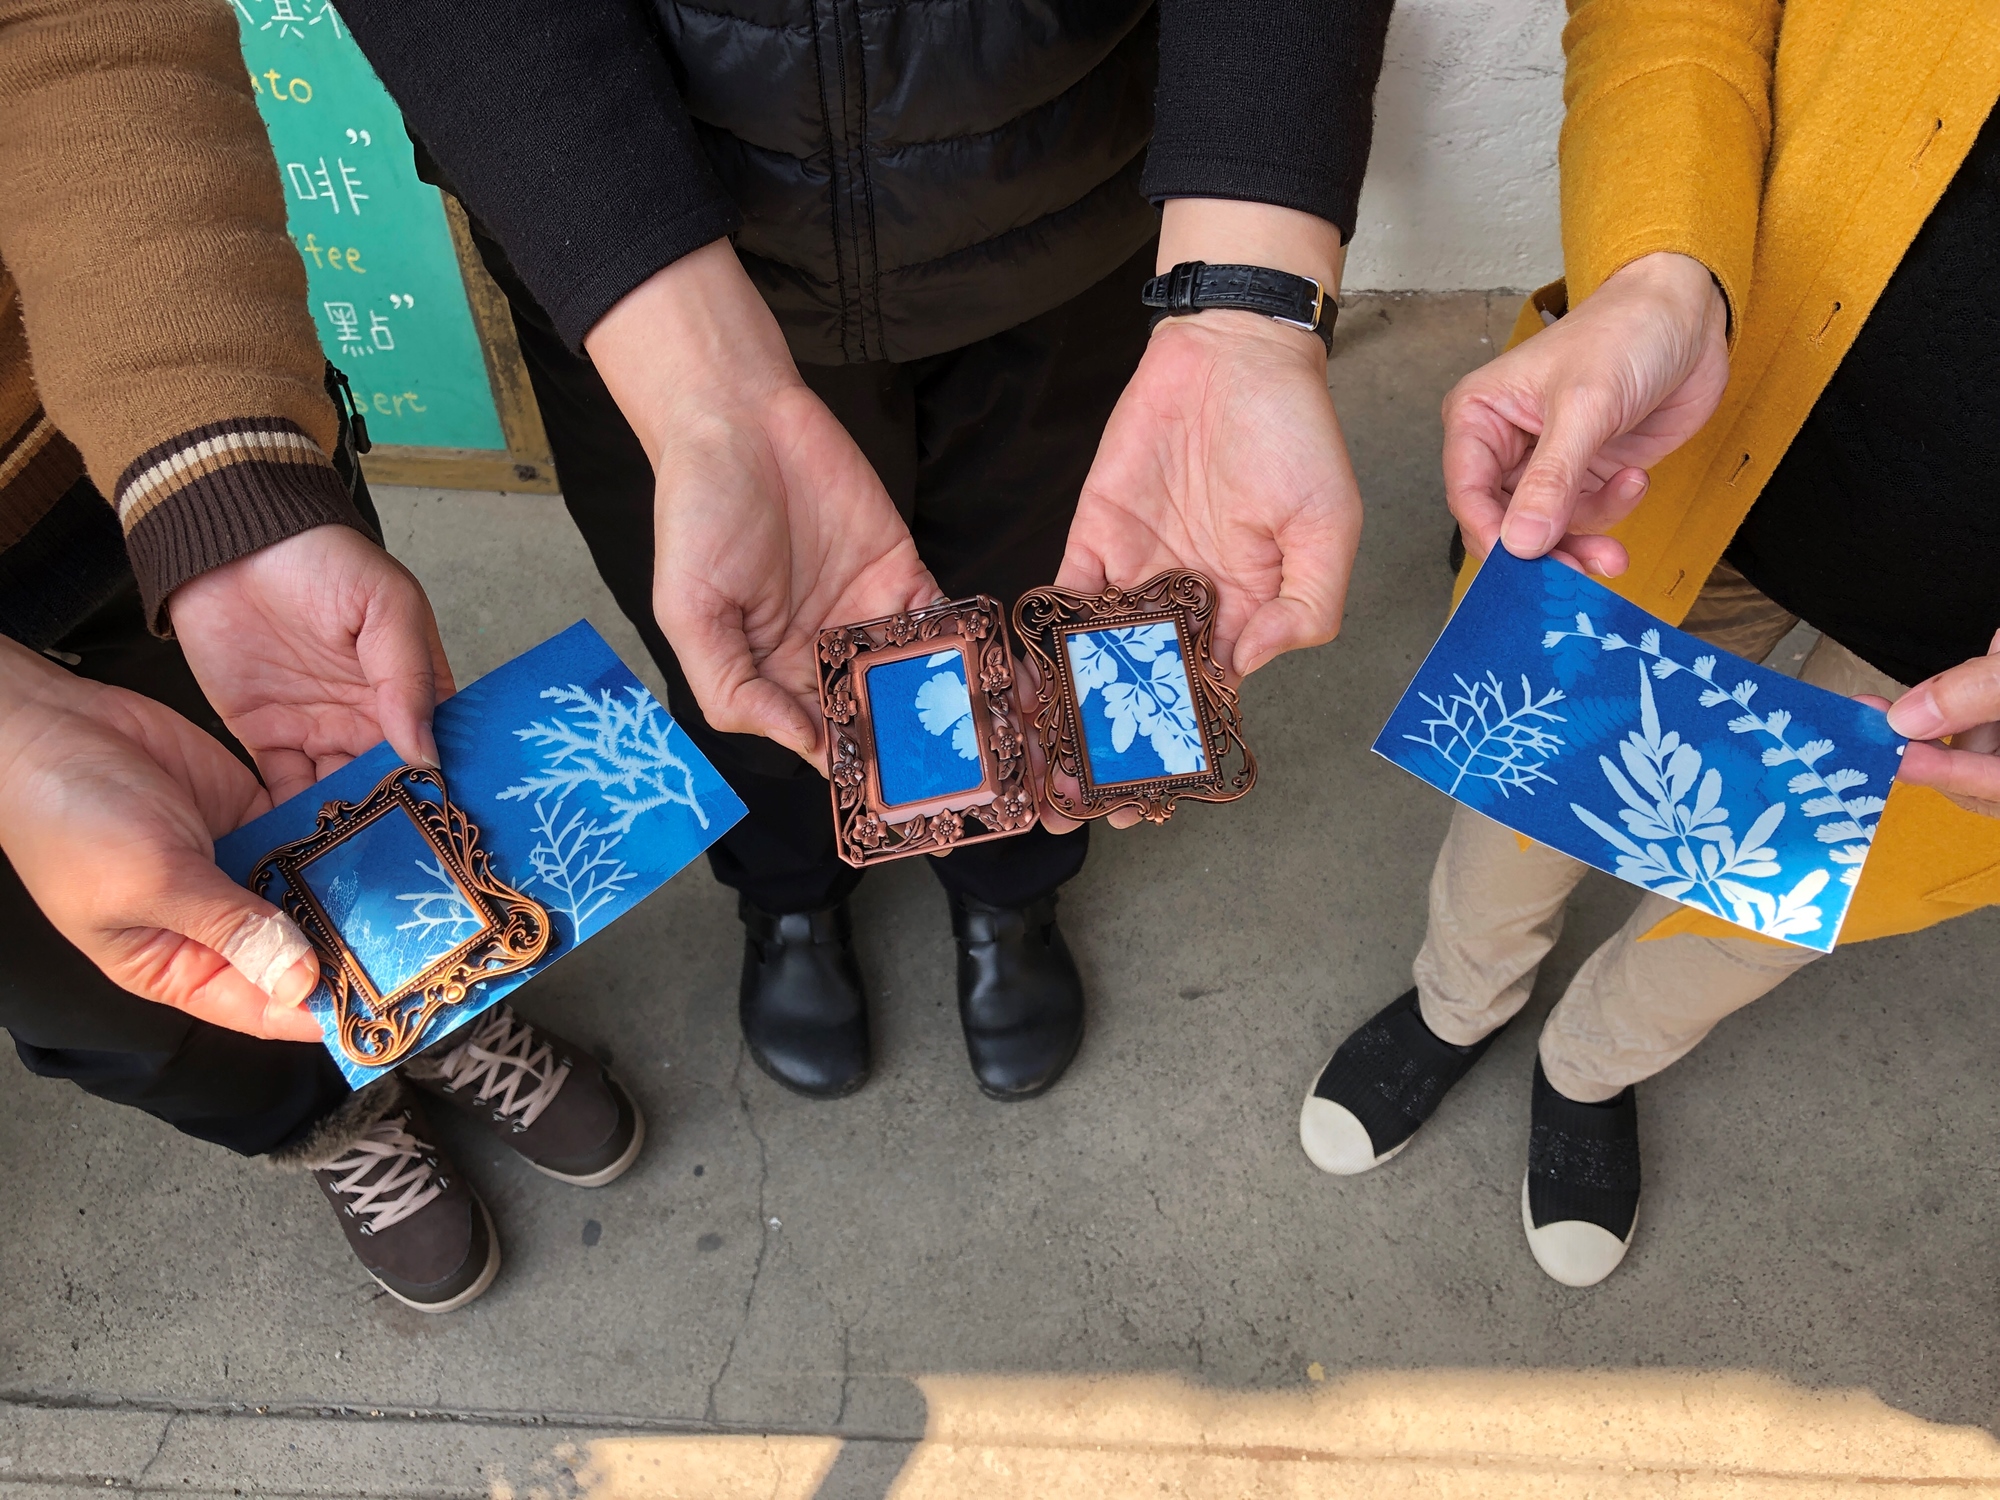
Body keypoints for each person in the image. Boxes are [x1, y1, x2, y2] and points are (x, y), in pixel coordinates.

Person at [337, 0, 1396, 1103]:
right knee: (753, 642)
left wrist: (1243, 306)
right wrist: (693, 382)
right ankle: (787, 887)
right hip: (621, 232)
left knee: (1050, 603)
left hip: (1063, 196)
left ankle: (1008, 878)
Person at [1301, 0, 2000, 1288]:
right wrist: (1657, 267)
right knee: (1528, 776)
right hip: (1703, 419)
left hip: (1967, 658)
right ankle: (1459, 997)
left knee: (1781, 899)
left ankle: (1590, 1065)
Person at [0, 0, 641, 1311]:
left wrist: (212, 464)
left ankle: (441, 1007)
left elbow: (64, 24)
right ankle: (333, 1119)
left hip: (117, 439)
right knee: (121, 998)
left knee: (358, 791)